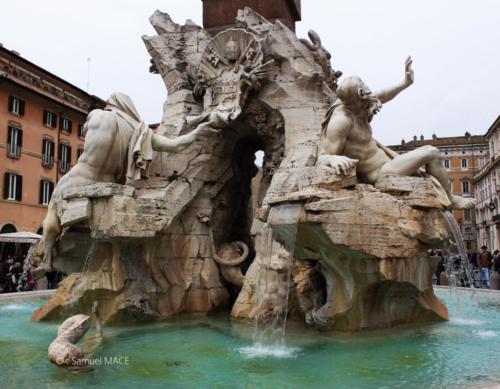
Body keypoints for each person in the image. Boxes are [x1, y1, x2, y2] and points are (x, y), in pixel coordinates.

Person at [319, 57, 475, 210]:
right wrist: (333, 159)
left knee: (428, 157)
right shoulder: (342, 121)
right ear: (360, 94)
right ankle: (451, 199)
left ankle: (448, 197)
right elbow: (323, 156)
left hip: (390, 161)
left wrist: (405, 83)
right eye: (365, 85)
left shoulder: (358, 103)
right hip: (380, 173)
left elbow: (384, 94)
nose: (370, 89)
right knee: (431, 152)